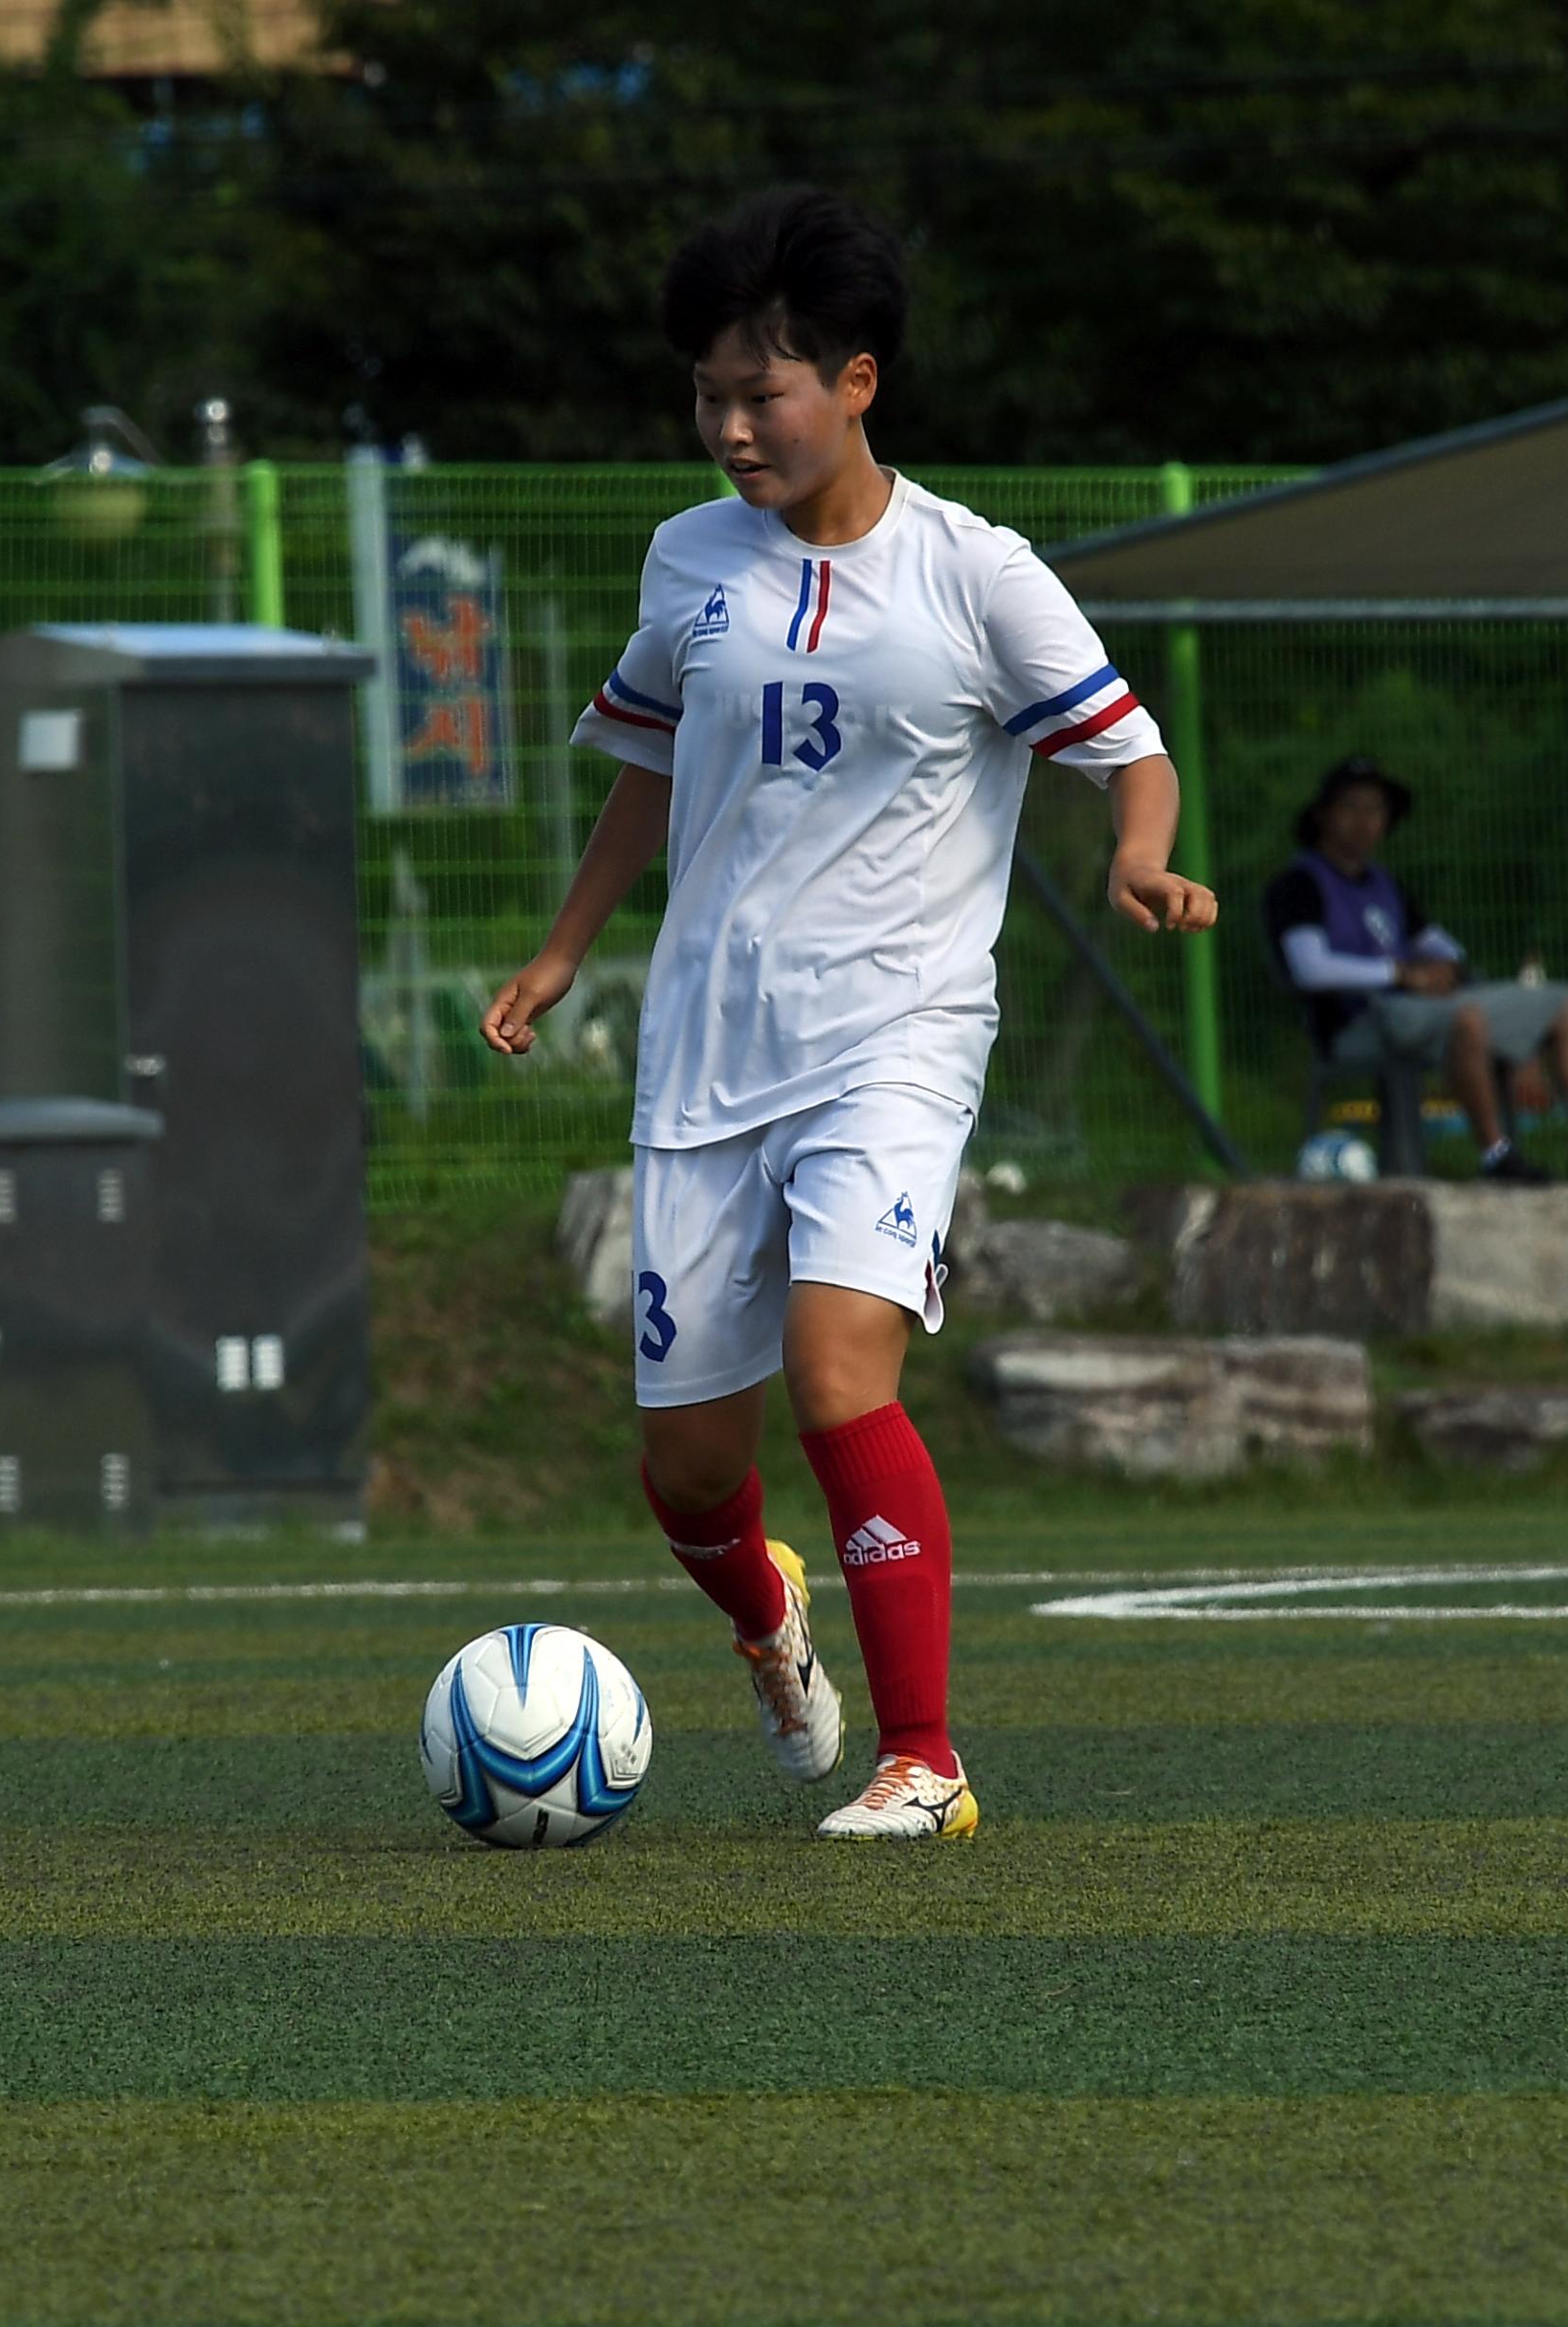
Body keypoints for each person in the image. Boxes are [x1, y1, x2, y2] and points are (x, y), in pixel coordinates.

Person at [477, 187, 1216, 1840]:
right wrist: (562, 948)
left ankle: (924, 1757)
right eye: (707, 396)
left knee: (837, 1372)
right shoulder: (690, 559)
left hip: (896, 1035)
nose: (731, 426)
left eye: (765, 392)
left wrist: (1141, 861)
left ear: (858, 382)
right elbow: (654, 764)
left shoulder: (975, 574)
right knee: (682, 1468)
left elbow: (1128, 748)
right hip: (703, 1050)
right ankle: (765, 1623)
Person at [1258, 755, 1568, 1182]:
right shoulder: (1299, 886)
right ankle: (1496, 1155)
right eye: (1351, 807)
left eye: (1375, 810)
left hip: (1421, 1010)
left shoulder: (1385, 886)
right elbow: (1310, 970)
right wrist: (1402, 975)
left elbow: (1446, 950)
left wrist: (1444, 974)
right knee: (1467, 1019)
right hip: (1358, 1022)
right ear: (1323, 815)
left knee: (1563, 1002)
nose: (1364, 820)